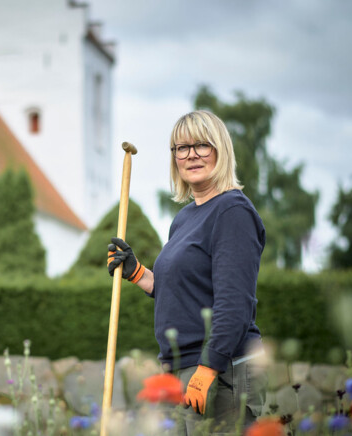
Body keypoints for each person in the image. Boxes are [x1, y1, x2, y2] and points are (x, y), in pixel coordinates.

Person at [107, 110, 266, 434]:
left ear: (220, 150)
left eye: (201, 145)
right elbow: (181, 290)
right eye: (181, 147)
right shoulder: (184, 218)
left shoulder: (232, 211)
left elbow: (234, 304)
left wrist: (209, 367)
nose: (191, 154)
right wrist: (137, 273)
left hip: (220, 373)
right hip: (182, 368)